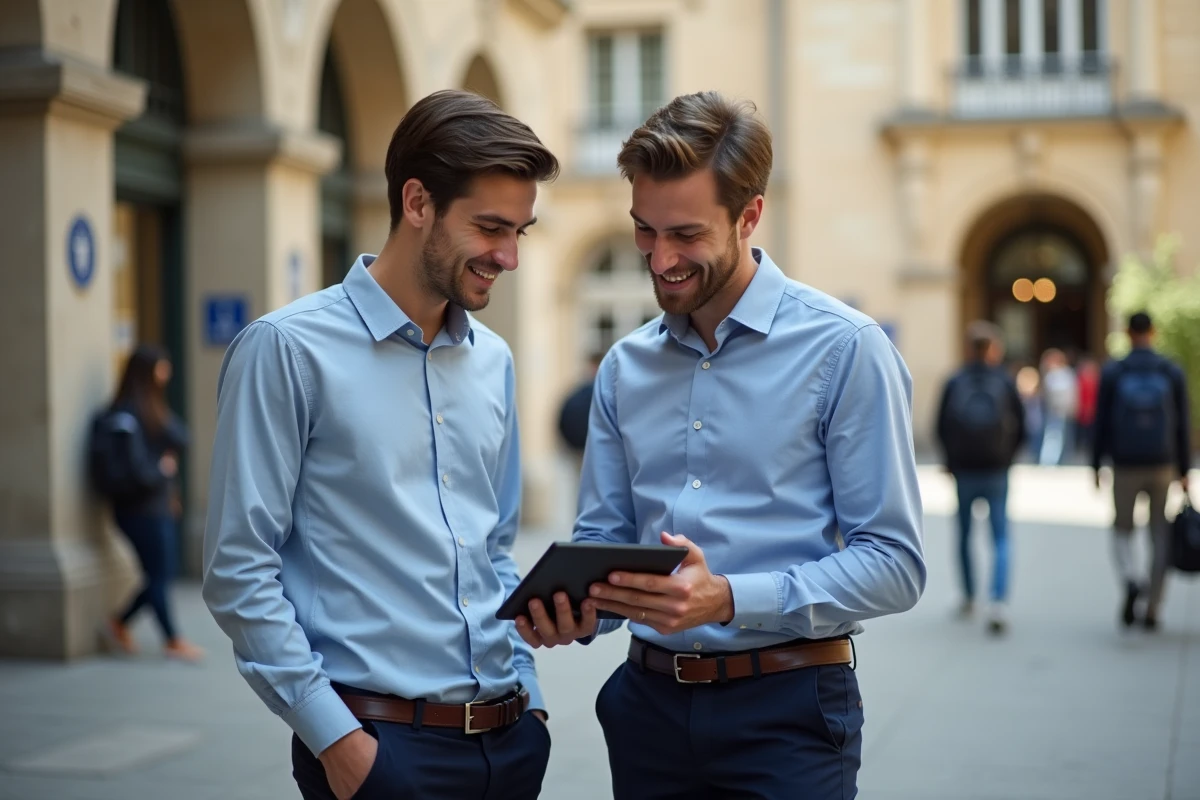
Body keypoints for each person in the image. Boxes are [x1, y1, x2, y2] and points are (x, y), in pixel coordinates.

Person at [515, 91, 925, 799]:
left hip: (788, 715)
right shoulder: (624, 367)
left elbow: (895, 564)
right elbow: (606, 539)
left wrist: (729, 598)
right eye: (644, 230)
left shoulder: (845, 349)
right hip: (645, 713)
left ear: (749, 215)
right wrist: (579, 608)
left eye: (686, 234)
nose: (660, 258)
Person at [201, 90, 559, 800]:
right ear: (417, 202)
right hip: (381, 752)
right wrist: (336, 740)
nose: (509, 256)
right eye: (490, 227)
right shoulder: (286, 350)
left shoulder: (493, 360)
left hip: (510, 743)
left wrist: (531, 695)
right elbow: (239, 568)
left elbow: (492, 549)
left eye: (520, 231)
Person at [95, 344, 202, 661]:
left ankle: (118, 623)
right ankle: (172, 639)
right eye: (160, 369)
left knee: (158, 575)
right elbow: (138, 471)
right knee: (158, 576)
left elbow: (181, 437)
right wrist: (162, 469)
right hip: (138, 510)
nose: (166, 376)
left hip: (156, 508)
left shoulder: (150, 410)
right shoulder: (125, 417)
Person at [1092, 311, 1192, 631]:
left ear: (1127, 333)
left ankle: (1131, 578)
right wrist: (1185, 469)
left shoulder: (1115, 371)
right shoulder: (1169, 370)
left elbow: (1100, 421)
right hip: (1162, 462)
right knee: (1160, 533)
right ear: (1153, 331)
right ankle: (1153, 608)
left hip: (1125, 463)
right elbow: (1183, 423)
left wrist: (1096, 463)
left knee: (1122, 529)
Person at [935, 321, 1025, 634]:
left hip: (964, 469)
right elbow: (1023, 425)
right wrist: (1008, 458)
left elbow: (940, 425)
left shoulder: (955, 380)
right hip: (996, 468)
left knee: (964, 534)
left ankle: (968, 596)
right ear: (994, 349)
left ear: (969, 348)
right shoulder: (1004, 380)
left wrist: (950, 461)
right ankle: (998, 601)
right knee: (1000, 536)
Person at [1038, 348, 1078, 465]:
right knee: (1054, 436)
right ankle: (1050, 460)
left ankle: (1059, 459)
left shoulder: (1062, 374)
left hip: (1062, 410)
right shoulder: (1054, 375)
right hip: (1056, 411)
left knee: (1061, 436)